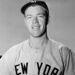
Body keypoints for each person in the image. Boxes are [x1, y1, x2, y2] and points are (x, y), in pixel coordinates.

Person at [0, 0, 75, 75]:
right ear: (25, 21)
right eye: (30, 17)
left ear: (47, 19)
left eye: (40, 16)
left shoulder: (64, 53)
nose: (35, 21)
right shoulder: (12, 54)